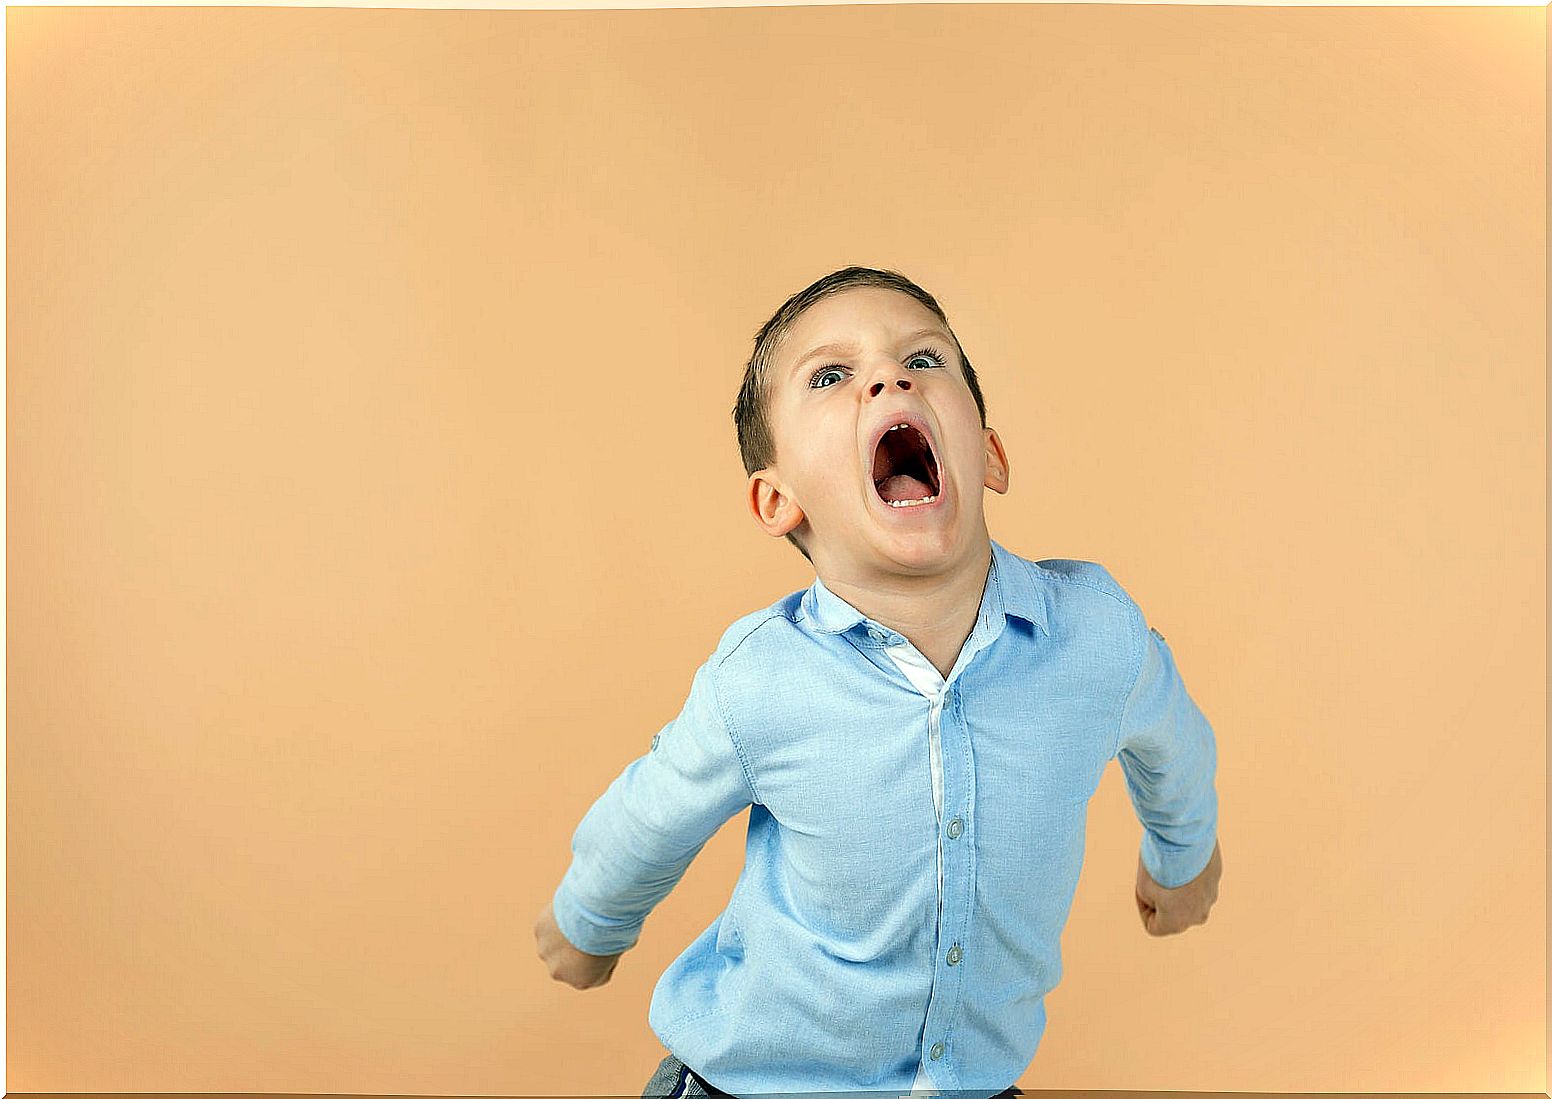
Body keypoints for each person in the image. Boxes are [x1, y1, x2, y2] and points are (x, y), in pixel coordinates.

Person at [533, 266, 1223, 1099]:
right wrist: (591, 925)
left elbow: (1172, 740)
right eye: (831, 376)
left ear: (991, 455)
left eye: (924, 359)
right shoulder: (762, 680)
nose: (890, 380)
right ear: (777, 499)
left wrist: (1184, 861)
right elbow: (652, 812)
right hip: (751, 1086)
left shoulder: (1092, 634)